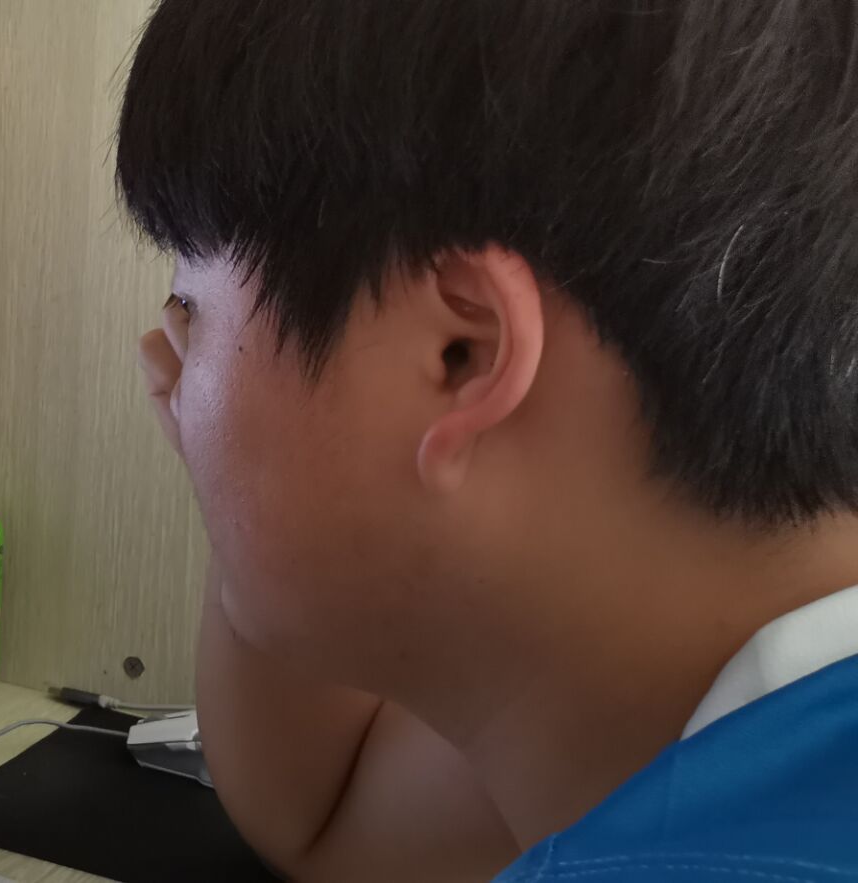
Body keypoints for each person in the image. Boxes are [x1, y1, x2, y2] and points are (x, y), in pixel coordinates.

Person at [116, 2, 858, 881]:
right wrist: (250, 496)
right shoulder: (735, 703)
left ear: (460, 354)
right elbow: (324, 828)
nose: (176, 369)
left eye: (192, 311)